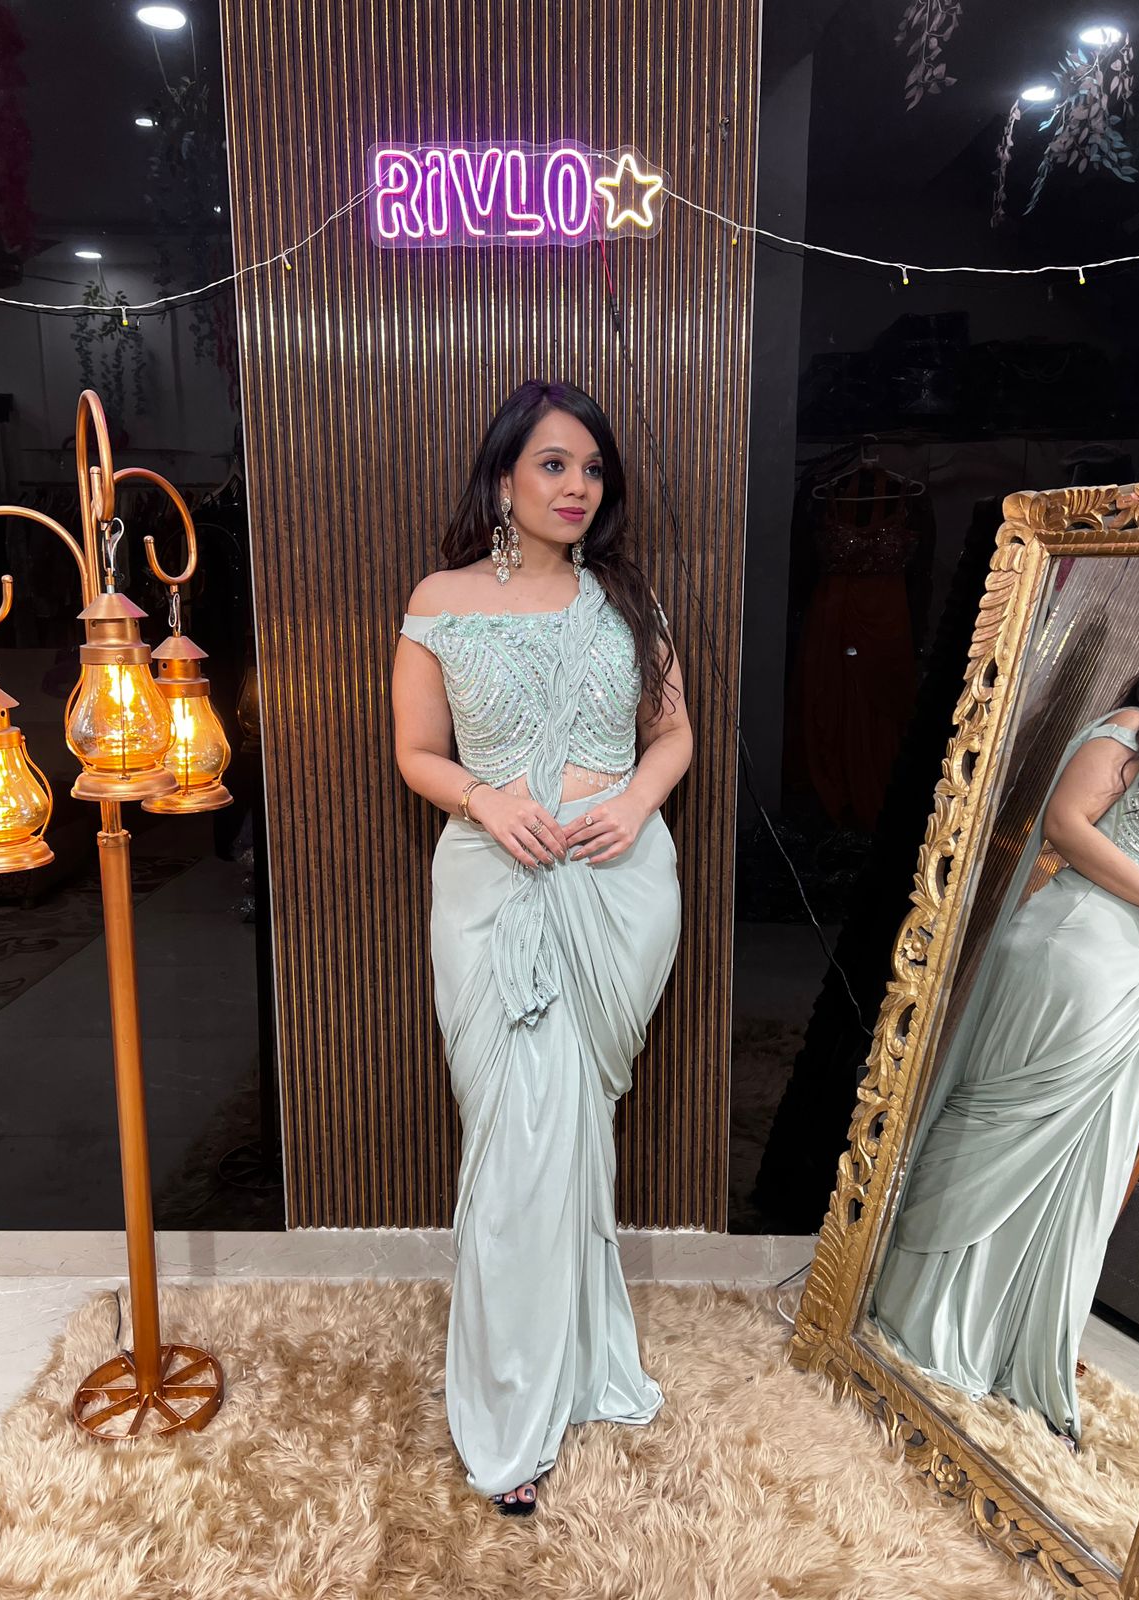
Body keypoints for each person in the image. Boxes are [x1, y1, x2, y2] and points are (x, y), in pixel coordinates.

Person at [392, 379, 692, 1514]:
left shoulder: (627, 596)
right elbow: (417, 751)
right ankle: (510, 1405)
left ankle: (571, 1361)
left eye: (593, 469)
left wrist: (636, 801)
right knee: (517, 1142)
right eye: (554, 465)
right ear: (504, 475)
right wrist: (483, 798)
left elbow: (673, 734)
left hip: (618, 887)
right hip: (496, 888)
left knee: (575, 1137)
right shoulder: (441, 600)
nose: (577, 488)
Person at [872, 634, 1139, 1448]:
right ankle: (927, 1321)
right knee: (998, 1136)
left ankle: (1015, 1351)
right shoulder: (1135, 729)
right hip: (1080, 950)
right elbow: (1064, 824)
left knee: (1084, 1179)